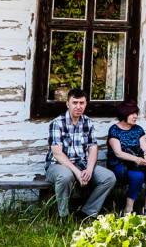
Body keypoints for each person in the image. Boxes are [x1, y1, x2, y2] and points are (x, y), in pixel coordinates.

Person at [45, 88, 117, 221]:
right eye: (75, 102)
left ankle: (87, 213)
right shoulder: (57, 123)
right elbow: (57, 154)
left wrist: (89, 170)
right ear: (68, 104)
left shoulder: (87, 122)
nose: (78, 106)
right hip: (58, 166)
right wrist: (77, 173)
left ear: (86, 104)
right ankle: (63, 216)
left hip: (82, 164)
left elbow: (93, 148)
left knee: (109, 177)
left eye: (82, 103)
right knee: (65, 176)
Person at [108, 101, 146, 216]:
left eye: (136, 113)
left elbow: (145, 148)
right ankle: (128, 210)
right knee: (137, 176)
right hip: (119, 165)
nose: (135, 116)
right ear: (123, 114)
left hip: (138, 164)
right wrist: (136, 159)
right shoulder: (114, 130)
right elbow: (118, 153)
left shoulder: (138, 129)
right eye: (132, 113)